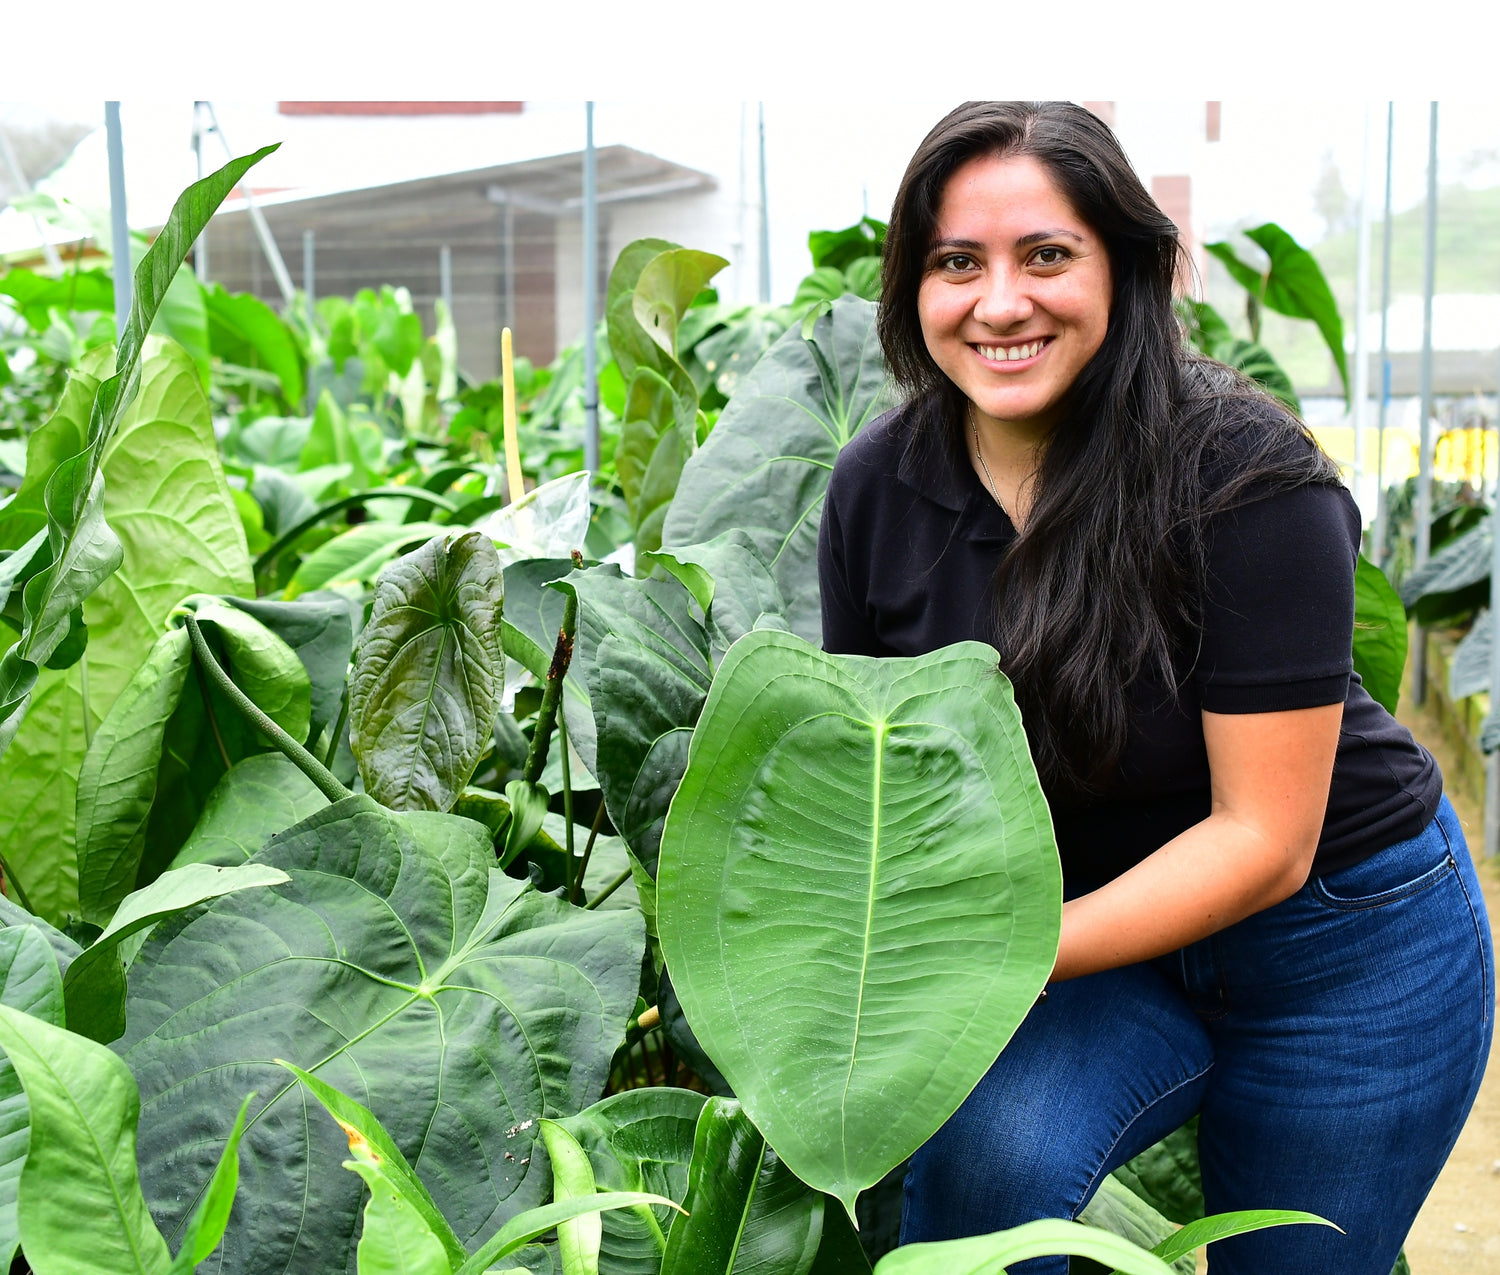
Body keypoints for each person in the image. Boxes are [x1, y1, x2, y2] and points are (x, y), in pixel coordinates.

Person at [817, 101, 1494, 1275]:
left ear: (1125, 269)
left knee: (1297, 1258)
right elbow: (877, 775)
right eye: (955, 262)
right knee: (982, 1173)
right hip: (1100, 931)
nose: (1000, 302)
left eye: (1046, 256)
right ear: (911, 288)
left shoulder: (1245, 476)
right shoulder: (881, 488)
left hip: (1339, 941)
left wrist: (987, 958)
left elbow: (1263, 840)